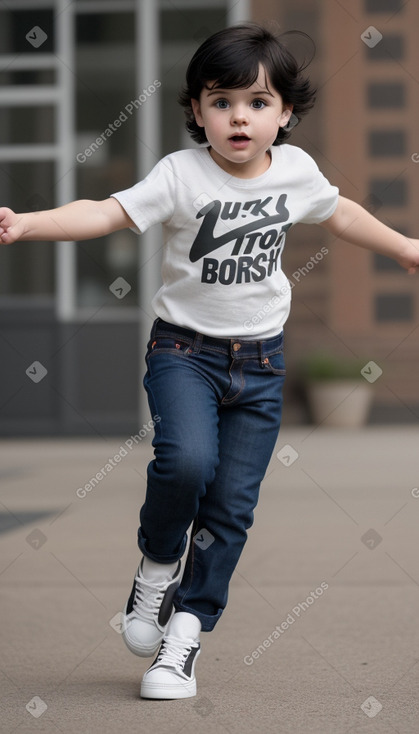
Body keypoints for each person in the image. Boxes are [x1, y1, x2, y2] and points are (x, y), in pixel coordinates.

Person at [1, 23, 418, 701]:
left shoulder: (295, 172)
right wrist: (28, 223)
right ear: (195, 110)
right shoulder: (179, 174)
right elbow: (105, 213)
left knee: (231, 508)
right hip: (183, 354)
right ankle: (157, 566)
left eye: (257, 102)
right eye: (220, 100)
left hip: (260, 366)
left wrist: (403, 248)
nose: (238, 116)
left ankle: (182, 640)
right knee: (186, 463)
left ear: (284, 113)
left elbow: (337, 211)